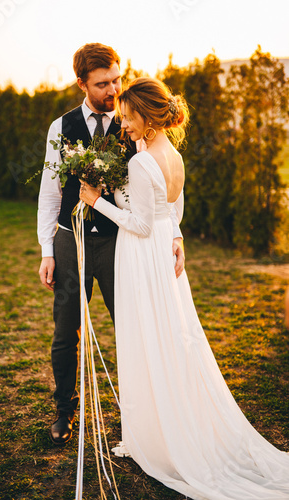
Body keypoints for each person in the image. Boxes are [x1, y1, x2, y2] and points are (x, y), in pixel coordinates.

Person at [80, 77, 289, 500]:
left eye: (129, 115)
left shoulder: (141, 162)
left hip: (141, 255)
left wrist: (96, 201)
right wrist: (176, 238)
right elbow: (173, 210)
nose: (124, 122)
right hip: (162, 251)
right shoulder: (171, 154)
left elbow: (138, 222)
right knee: (169, 338)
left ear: (147, 116)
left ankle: (153, 440)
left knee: (145, 339)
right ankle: (161, 428)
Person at [37, 44, 185, 446]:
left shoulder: (133, 124)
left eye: (117, 80)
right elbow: (49, 195)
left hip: (122, 245)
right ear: (82, 83)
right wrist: (47, 251)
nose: (113, 89)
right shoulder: (61, 127)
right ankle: (64, 412)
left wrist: (174, 232)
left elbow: (159, 191)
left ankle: (140, 414)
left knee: (134, 328)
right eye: (103, 83)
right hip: (71, 243)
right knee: (66, 332)